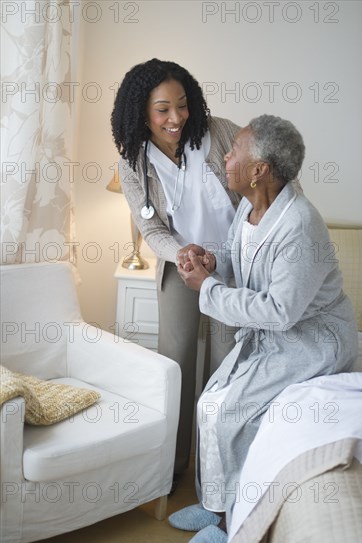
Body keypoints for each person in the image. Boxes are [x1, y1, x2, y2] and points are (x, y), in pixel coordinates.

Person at [170, 114, 358, 543]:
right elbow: (244, 263)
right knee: (210, 404)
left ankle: (232, 523)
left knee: (233, 413)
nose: (226, 156)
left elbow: (279, 310)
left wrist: (208, 288)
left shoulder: (299, 226)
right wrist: (212, 263)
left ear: (259, 170)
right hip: (275, 333)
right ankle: (215, 504)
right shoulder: (251, 207)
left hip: (311, 342)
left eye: (234, 150)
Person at [111, 59, 242, 481]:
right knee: (176, 366)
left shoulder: (220, 133)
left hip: (233, 269)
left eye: (182, 106)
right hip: (181, 268)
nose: (176, 118)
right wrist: (182, 252)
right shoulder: (133, 161)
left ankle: (215, 473)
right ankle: (171, 466)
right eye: (163, 109)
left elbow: (265, 191)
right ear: (140, 112)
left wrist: (226, 257)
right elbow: (150, 226)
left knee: (226, 368)